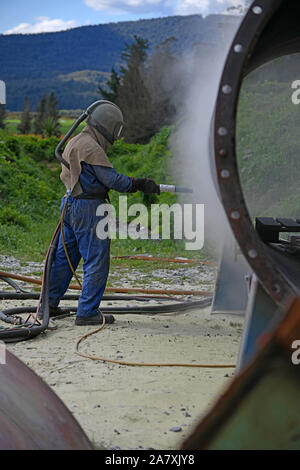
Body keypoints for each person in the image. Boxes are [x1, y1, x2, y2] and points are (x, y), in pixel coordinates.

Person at [47, 100, 160, 326]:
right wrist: (139, 183)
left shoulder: (76, 140)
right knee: (96, 259)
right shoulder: (90, 147)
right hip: (88, 209)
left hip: (69, 204)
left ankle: (48, 305)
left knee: (64, 258)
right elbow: (113, 180)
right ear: (109, 127)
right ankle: (87, 312)